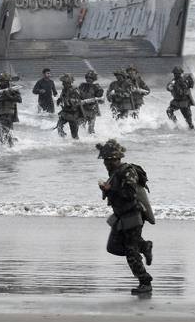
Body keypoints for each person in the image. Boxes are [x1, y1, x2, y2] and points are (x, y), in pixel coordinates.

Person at [96, 139, 154, 295]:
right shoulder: (114, 173)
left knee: (130, 251)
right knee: (113, 246)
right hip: (121, 215)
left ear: (117, 158)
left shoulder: (128, 171)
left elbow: (129, 194)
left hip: (133, 215)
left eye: (110, 160)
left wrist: (110, 189)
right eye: (105, 160)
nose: (107, 163)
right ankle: (144, 246)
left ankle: (145, 281)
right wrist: (107, 189)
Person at [0, 72, 22, 145]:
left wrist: (8, 95)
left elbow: (19, 99)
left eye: (3, 81)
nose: (1, 82)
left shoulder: (13, 89)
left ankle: (10, 147)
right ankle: (8, 145)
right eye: (0, 80)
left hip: (7, 113)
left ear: (7, 81)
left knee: (6, 131)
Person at [56, 74, 83, 139]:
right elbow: (62, 97)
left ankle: (76, 144)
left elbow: (79, 100)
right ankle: (63, 140)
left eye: (64, 82)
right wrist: (59, 100)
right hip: (65, 112)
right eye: (63, 82)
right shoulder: (64, 90)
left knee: (74, 135)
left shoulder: (75, 90)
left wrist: (70, 101)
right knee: (59, 126)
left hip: (73, 114)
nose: (62, 84)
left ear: (69, 83)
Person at [78, 70, 105, 134]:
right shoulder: (82, 86)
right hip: (83, 109)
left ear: (93, 79)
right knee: (81, 126)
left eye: (90, 78)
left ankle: (92, 137)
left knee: (91, 127)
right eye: (87, 77)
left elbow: (101, 100)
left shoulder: (96, 87)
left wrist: (96, 99)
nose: (88, 79)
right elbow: (78, 95)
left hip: (92, 109)